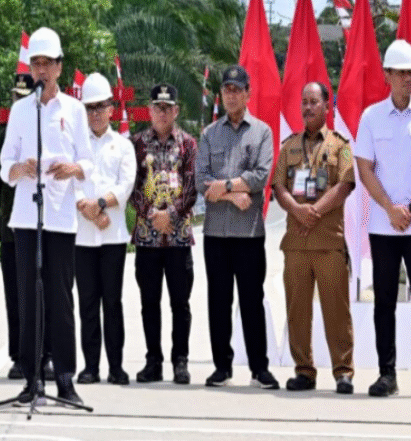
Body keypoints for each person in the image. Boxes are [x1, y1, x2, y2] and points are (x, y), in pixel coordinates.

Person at [0, 27, 93, 407]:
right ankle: (31, 376)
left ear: (59, 66)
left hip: (60, 219)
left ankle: (66, 378)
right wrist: (21, 168)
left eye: (46, 64)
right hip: (26, 218)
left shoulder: (74, 109)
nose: (40, 71)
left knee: (59, 298)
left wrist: (72, 169)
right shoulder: (21, 110)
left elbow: (88, 160)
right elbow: (4, 165)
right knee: (28, 299)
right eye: (35, 64)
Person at [355, 39, 411, 401]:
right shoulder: (371, 117)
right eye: (402, 72)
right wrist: (390, 208)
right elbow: (364, 167)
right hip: (383, 227)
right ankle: (386, 374)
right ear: (388, 75)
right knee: (384, 304)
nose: (409, 78)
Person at [196, 63, 279, 389]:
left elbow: (260, 176)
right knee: (218, 300)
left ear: (247, 94)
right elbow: (203, 182)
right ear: (221, 94)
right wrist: (233, 194)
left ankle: (260, 367)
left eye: (237, 90)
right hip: (216, 233)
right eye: (226, 90)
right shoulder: (208, 134)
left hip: (248, 233)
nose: (231, 95)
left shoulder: (261, 132)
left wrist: (224, 188)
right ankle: (222, 366)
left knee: (251, 300)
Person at [272, 81, 356, 394]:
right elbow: (279, 186)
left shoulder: (341, 145)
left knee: (336, 309)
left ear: (327, 106)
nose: (308, 107)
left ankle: (343, 372)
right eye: (304, 102)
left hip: (328, 241)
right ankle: (304, 371)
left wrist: (314, 211)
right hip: (296, 243)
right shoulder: (289, 145)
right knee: (298, 310)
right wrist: (296, 209)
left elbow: (345, 184)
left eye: (314, 102)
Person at [130, 83, 198, 385]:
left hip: (178, 237)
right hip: (147, 237)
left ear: (176, 111)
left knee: (180, 303)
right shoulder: (136, 145)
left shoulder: (188, 144)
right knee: (149, 302)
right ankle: (153, 360)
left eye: (167, 107)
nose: (162, 112)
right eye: (157, 106)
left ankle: (180, 361)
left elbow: (192, 186)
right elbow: (131, 186)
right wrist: (151, 216)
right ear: (149, 110)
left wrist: (169, 216)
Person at [74, 73, 137, 385]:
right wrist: (90, 212)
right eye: (89, 108)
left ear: (112, 109)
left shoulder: (123, 145)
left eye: (100, 107)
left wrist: (98, 204)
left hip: (112, 236)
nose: (95, 113)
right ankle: (90, 367)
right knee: (87, 304)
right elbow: (69, 185)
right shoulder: (76, 145)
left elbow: (126, 185)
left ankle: (116, 366)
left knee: (112, 302)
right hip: (83, 238)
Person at [0, 72, 55, 381]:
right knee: (16, 296)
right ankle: (19, 356)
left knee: (48, 295)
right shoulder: (5, 137)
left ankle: (49, 355)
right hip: (12, 232)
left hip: (45, 227)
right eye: (16, 97)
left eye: (24, 97)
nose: (20, 101)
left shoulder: (48, 129)